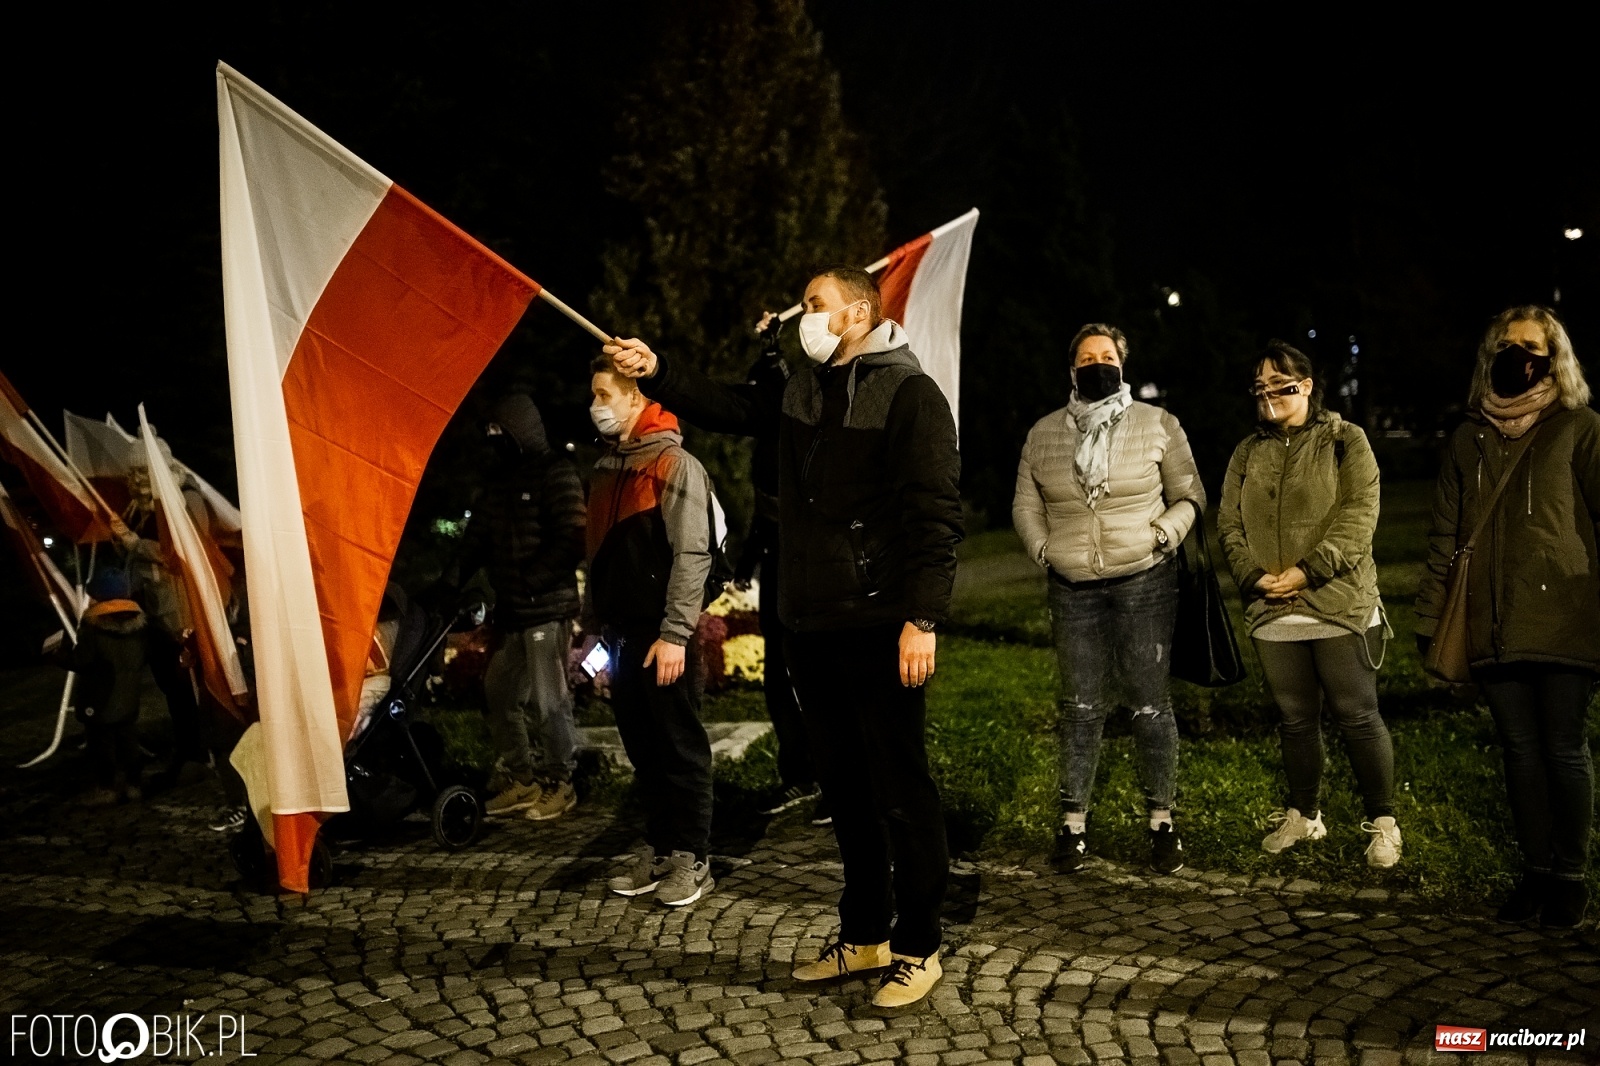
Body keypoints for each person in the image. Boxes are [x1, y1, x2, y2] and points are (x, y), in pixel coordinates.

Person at [607, 266, 962, 1009]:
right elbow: (731, 406)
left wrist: (922, 618)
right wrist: (658, 369)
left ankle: (919, 944)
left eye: (814, 304)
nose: (802, 317)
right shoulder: (801, 389)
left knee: (900, 789)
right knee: (846, 790)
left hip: (880, 622)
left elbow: (935, 514)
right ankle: (863, 934)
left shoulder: (910, 394)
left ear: (857, 313)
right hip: (811, 623)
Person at [1416, 305, 1599, 929]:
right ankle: (1536, 871)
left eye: (1531, 347)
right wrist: (1430, 617)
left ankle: (1570, 878)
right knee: (1519, 751)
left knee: (1563, 748)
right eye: (1506, 346)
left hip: (1566, 616)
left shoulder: (1580, 428)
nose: (1517, 356)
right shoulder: (1467, 438)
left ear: (1554, 359)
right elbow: (1446, 534)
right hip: (1490, 619)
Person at [1012, 323, 1204, 876]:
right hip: (1073, 587)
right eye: (1086, 358)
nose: (1097, 364)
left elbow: (1190, 494)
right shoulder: (1043, 434)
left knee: (1149, 703)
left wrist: (1161, 535)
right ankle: (1073, 825)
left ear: (1122, 365)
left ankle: (1162, 821)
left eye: (1107, 356)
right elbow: (1025, 504)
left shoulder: (1158, 424)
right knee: (1080, 707)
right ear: (1072, 370)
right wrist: (1044, 550)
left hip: (1144, 580)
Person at [1217, 341, 1400, 868]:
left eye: (1282, 385)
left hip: (1338, 602)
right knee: (1295, 719)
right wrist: (1253, 576)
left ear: (1308, 387)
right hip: (1272, 608)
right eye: (1261, 387)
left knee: (1357, 714)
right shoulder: (1247, 452)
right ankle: (1305, 815)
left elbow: (1359, 516)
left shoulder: (1346, 440)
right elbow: (1228, 522)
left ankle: (1384, 823)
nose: (1269, 395)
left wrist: (1307, 570)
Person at [637, 317, 823, 823]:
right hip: (782, 563)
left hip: (822, 569)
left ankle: (843, 782)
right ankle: (804, 772)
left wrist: (772, 354)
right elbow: (727, 405)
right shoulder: (773, 420)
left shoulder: (812, 404)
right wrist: (659, 371)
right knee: (782, 676)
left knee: (822, 678)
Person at [583, 357, 719, 908]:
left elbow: (693, 554)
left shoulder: (673, 464)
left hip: (662, 635)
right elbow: (596, 555)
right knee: (644, 750)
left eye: (605, 394)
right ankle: (662, 848)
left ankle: (693, 857)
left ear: (637, 397)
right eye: (593, 394)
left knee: (679, 748)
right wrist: (593, 628)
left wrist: (677, 633)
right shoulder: (605, 468)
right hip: (620, 635)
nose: (595, 406)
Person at [454, 394, 586, 822]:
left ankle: (560, 782)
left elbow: (573, 537)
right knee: (500, 692)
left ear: (520, 430)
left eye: (500, 431)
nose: (494, 439)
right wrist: (450, 579)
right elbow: (477, 538)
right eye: (490, 432)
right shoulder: (498, 482)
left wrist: (533, 580)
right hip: (512, 611)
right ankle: (521, 778)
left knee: (549, 702)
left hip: (546, 608)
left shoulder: (556, 473)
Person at [57, 569, 148, 805]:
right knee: (128, 740)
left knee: (101, 744)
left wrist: (59, 654)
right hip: (128, 696)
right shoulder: (139, 624)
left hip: (99, 698)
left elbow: (82, 661)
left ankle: (107, 788)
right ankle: (134, 785)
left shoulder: (94, 627)